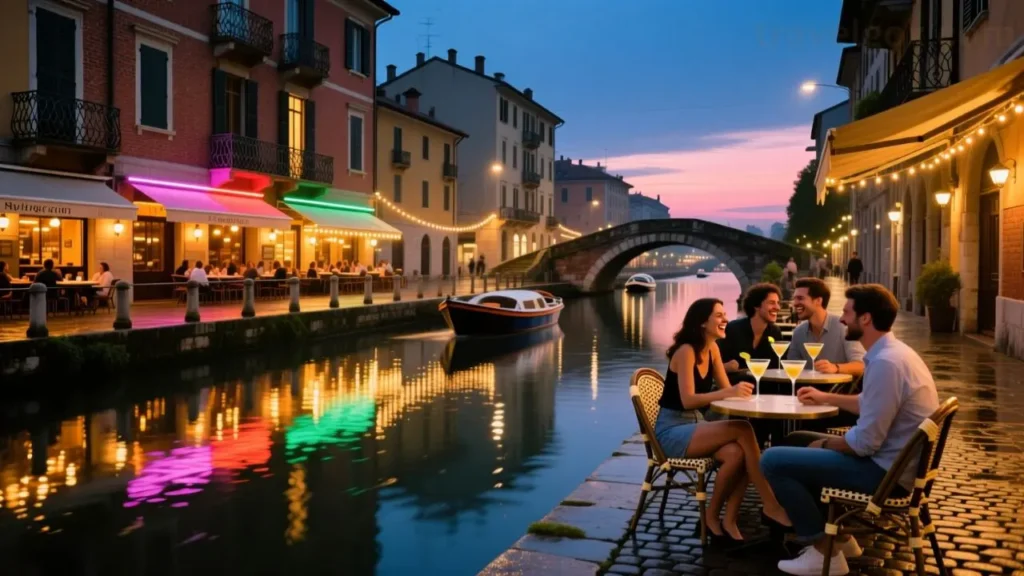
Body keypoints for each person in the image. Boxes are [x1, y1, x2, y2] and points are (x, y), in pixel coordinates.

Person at [761, 284, 939, 575]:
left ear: (865, 319)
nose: (842, 319)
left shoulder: (886, 364)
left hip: (884, 474)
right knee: (796, 438)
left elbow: (864, 443)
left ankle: (822, 551)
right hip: (895, 462)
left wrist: (826, 445)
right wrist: (825, 397)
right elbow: (868, 403)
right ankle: (840, 538)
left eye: (846, 312)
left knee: (772, 460)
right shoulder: (894, 354)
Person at [654, 297, 791, 542]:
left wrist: (748, 398)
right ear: (701, 322)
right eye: (719, 315)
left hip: (696, 425)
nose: (725, 319)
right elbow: (688, 400)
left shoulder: (713, 349)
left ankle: (720, 517)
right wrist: (727, 392)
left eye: (724, 314)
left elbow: (728, 393)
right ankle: (770, 504)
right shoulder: (686, 351)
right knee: (744, 430)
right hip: (672, 431)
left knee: (741, 453)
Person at [787, 278, 864, 378]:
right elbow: (790, 366)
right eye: (795, 298)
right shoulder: (798, 332)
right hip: (806, 391)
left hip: (838, 391)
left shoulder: (844, 327)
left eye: (800, 298)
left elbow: (861, 365)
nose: (795, 303)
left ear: (818, 301)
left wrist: (836, 368)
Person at [721, 283, 784, 374]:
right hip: (735, 385)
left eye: (778, 303)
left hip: (765, 386)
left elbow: (778, 367)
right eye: (771, 303)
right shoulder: (732, 329)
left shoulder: (775, 332)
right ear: (756, 305)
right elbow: (715, 365)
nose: (777, 307)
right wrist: (726, 367)